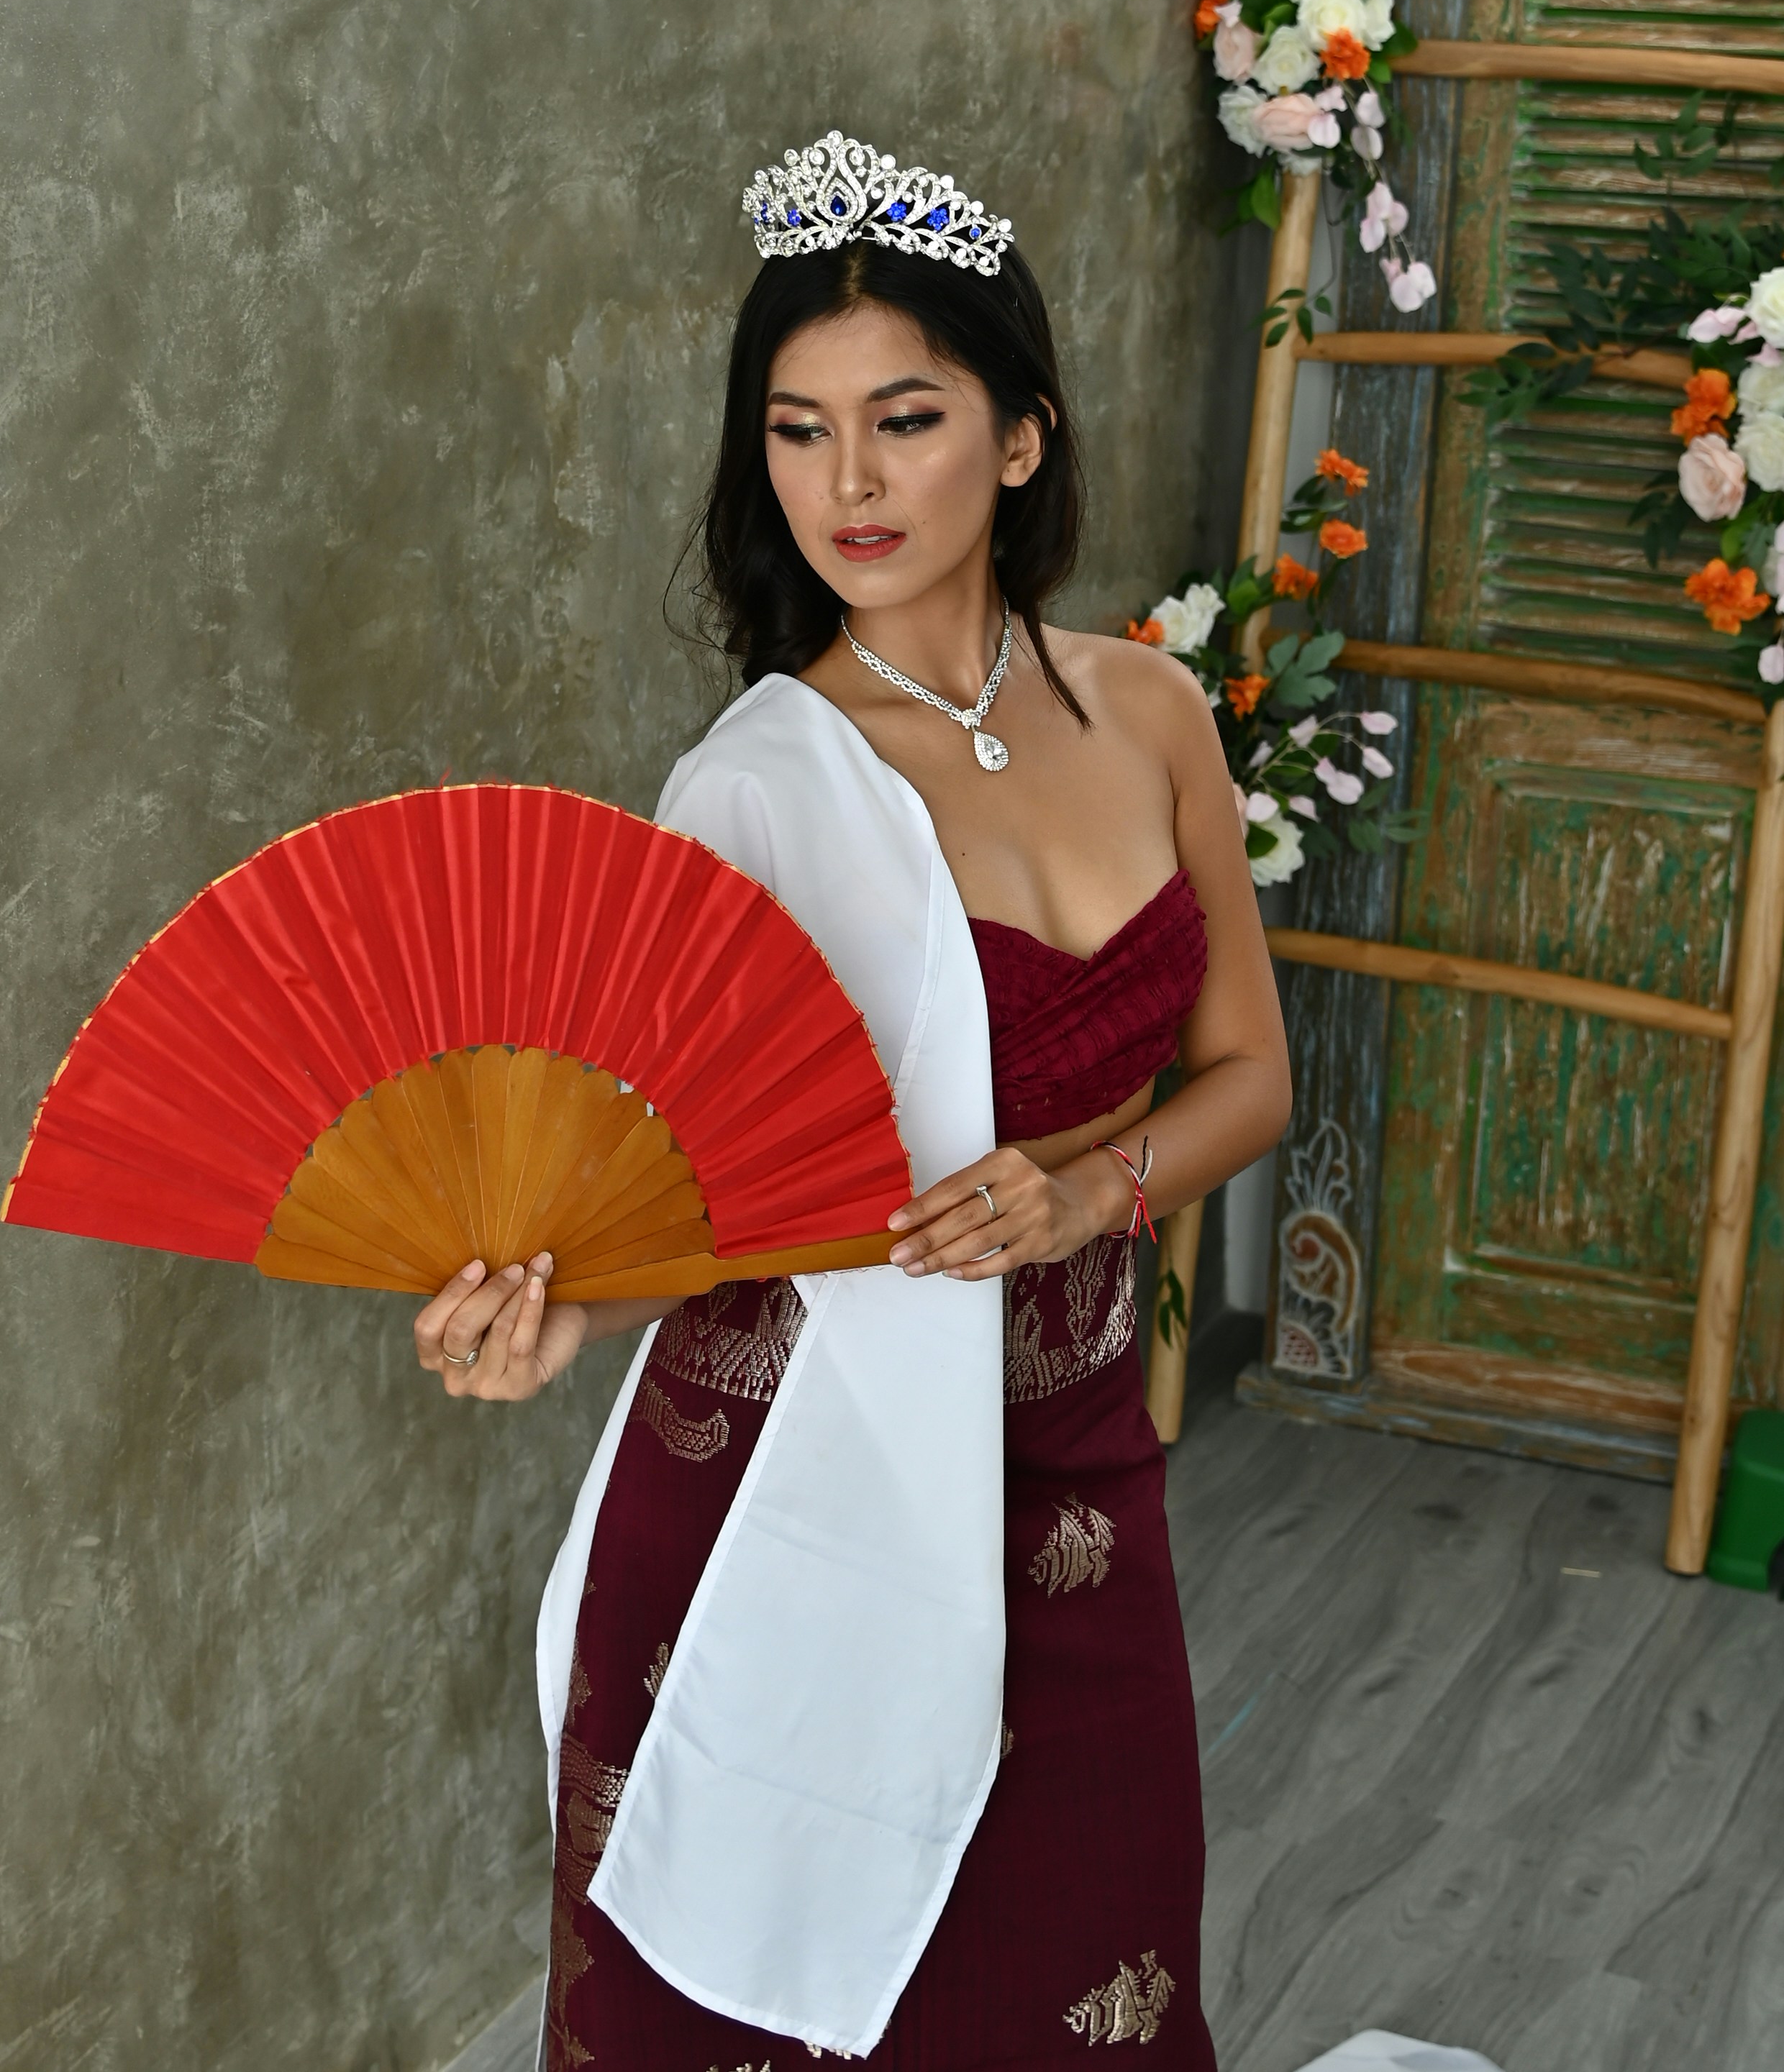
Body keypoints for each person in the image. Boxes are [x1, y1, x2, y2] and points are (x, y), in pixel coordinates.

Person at [413, 132, 1291, 2067]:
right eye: (798, 433)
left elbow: (1249, 1077)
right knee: (764, 2005)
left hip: (1072, 1452)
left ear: (1023, 439)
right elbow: (687, 1199)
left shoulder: (1150, 714)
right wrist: (551, 1311)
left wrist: (1086, 1201)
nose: (854, 484)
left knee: (1093, 1974)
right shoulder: (754, 786)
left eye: (905, 419)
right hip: (792, 1478)